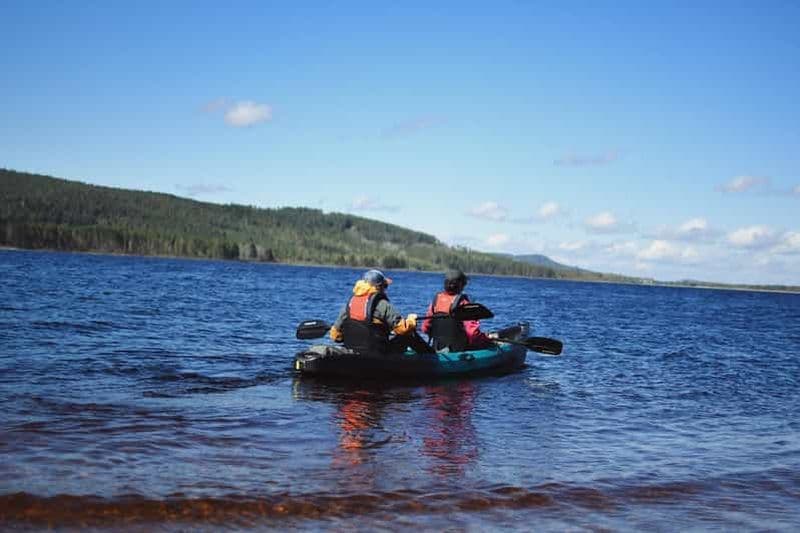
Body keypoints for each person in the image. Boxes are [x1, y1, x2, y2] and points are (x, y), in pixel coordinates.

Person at [330, 269, 432, 354]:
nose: (385, 289)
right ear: (378, 287)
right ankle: (432, 359)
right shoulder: (383, 305)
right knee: (410, 334)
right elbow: (403, 329)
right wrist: (411, 320)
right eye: (385, 286)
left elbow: (335, 336)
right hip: (379, 352)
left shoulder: (349, 305)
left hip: (353, 351)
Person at [422, 269, 495, 351]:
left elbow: (425, 328)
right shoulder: (463, 303)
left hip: (437, 348)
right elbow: (472, 334)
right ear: (460, 285)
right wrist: (486, 338)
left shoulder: (436, 301)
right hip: (459, 350)